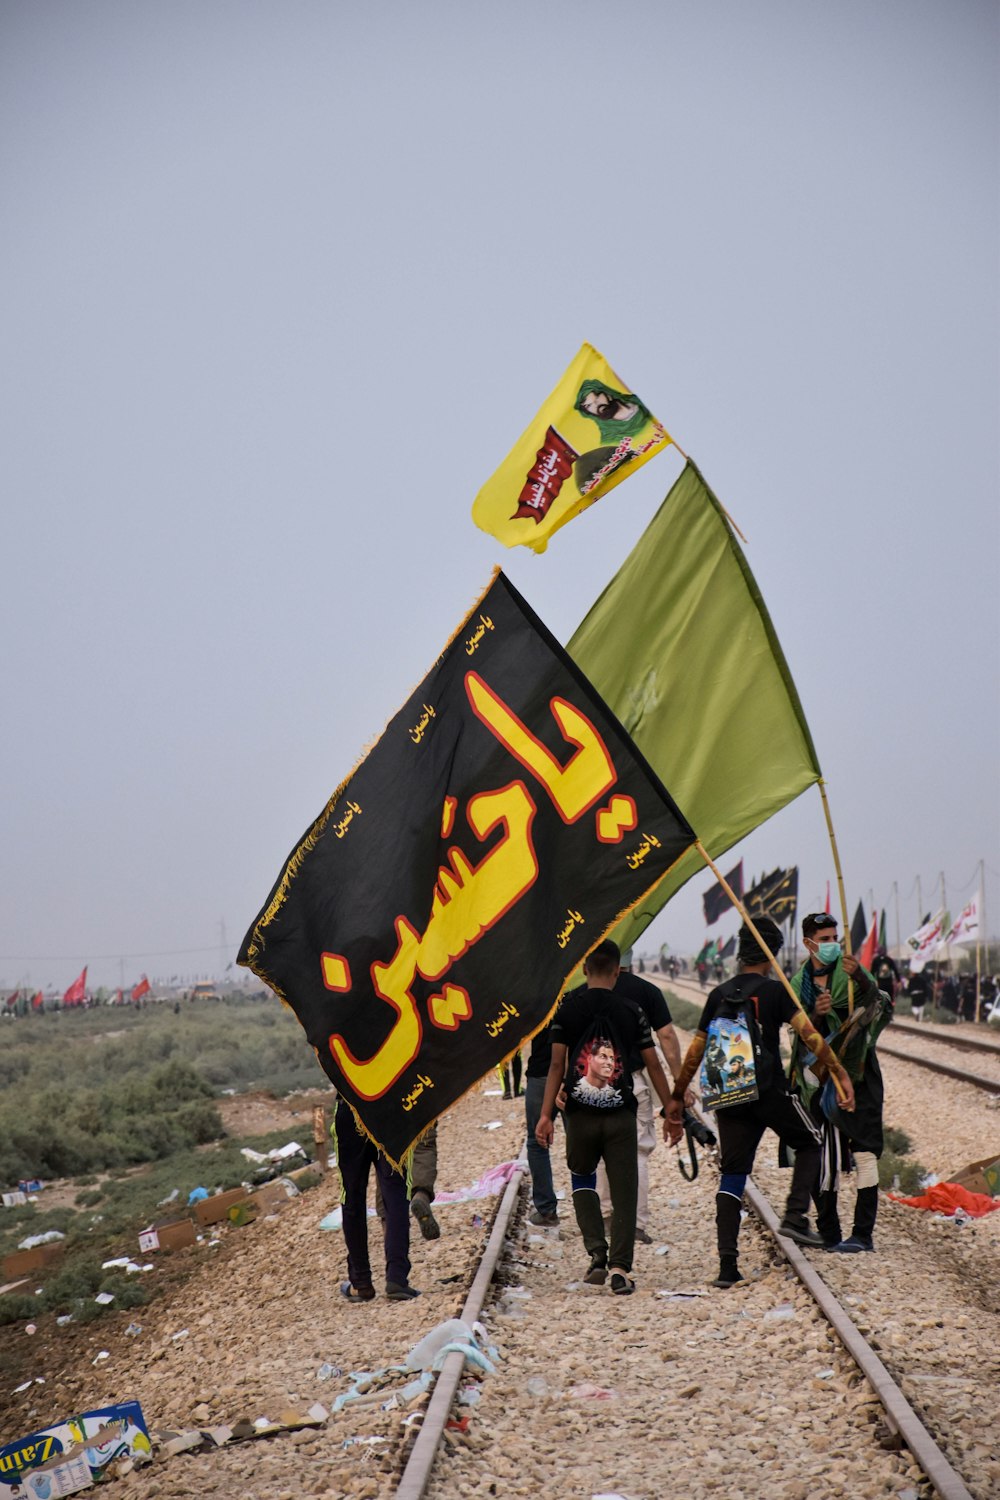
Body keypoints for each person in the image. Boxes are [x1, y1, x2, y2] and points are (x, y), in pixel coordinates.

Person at [666, 918, 855, 1288]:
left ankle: (727, 1266)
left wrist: (677, 1095)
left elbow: (696, 1051)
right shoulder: (775, 992)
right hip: (769, 1090)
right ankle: (796, 1215)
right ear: (770, 952)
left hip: (730, 1097)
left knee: (733, 1175)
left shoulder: (718, 994)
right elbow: (810, 1034)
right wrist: (838, 1072)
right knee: (811, 1141)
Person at [535, 940, 674, 1295]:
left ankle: (596, 1252)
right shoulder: (631, 1009)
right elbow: (653, 1063)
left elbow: (556, 1065)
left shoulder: (567, 1008)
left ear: (584, 970)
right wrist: (671, 1105)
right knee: (624, 1188)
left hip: (579, 1114)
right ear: (616, 971)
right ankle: (619, 1268)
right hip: (620, 1114)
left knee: (583, 1177)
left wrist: (546, 1114)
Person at [788, 913, 892, 1253]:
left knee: (865, 1155)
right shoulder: (798, 982)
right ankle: (829, 1231)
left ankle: (863, 1234)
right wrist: (816, 1014)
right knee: (823, 1160)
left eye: (835, 937)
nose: (832, 944)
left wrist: (861, 979)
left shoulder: (850, 972)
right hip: (818, 1082)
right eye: (826, 938)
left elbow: (878, 1006)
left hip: (859, 1074)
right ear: (809, 943)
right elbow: (801, 1035)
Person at [583, 946, 690, 1243]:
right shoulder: (647, 992)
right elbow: (665, 1038)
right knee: (637, 1152)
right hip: (633, 1081)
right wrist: (677, 1088)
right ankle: (635, 1224)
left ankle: (606, 1218)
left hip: (592, 1083)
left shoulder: (581, 994)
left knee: (601, 1151)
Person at [332, 1098, 420, 1302]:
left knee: (351, 1197)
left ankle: (361, 1282)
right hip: (392, 1108)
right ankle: (397, 1279)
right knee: (396, 1194)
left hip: (350, 1109)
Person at [524, 1020, 560, 1226]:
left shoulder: (539, 992)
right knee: (583, 1144)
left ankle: (546, 1211)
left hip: (541, 1073)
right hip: (576, 1074)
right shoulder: (581, 992)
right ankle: (591, 1212)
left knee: (537, 1142)